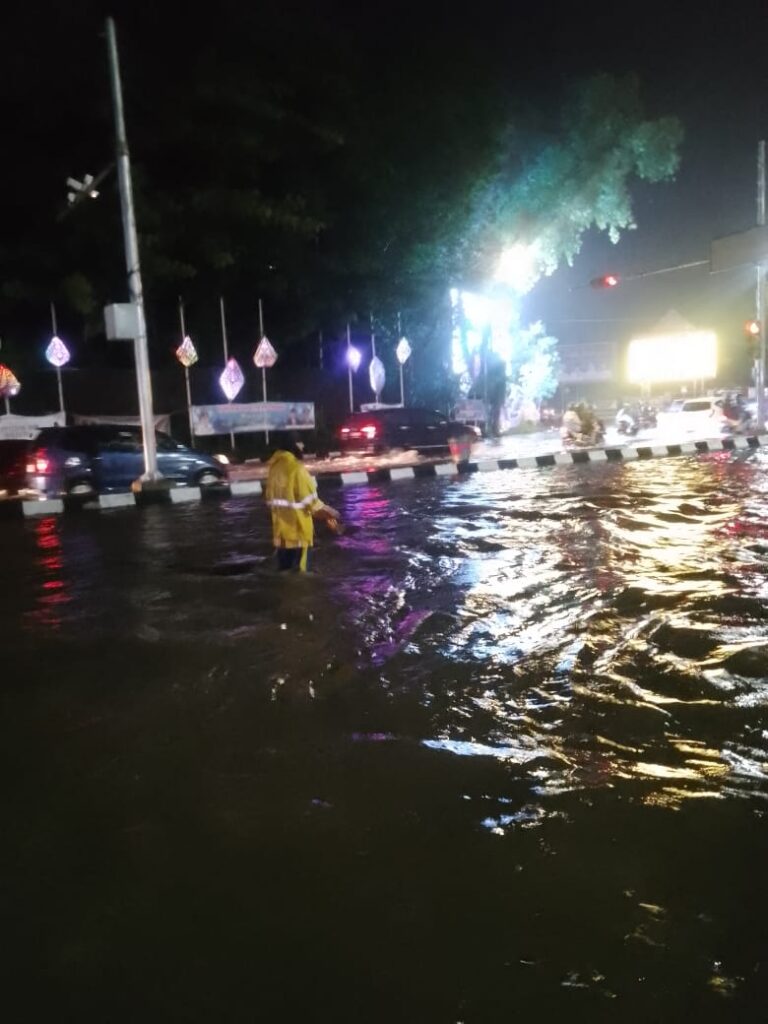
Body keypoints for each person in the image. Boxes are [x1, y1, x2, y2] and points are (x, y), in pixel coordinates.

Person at [265, 435, 341, 572]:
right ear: (293, 445)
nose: (303, 448)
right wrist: (333, 513)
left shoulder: (274, 468)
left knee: (284, 573)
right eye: (300, 444)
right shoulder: (297, 468)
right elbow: (312, 504)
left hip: (281, 536)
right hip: (299, 534)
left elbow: (270, 500)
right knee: (301, 576)